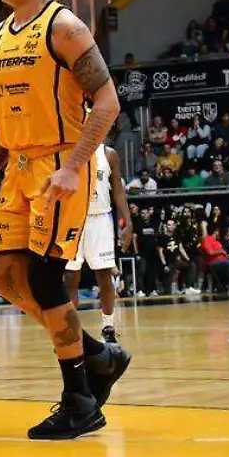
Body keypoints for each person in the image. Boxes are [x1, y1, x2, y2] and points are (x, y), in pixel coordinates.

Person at [0, 0, 129, 440]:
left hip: (61, 163)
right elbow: (4, 113)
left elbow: (107, 101)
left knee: (45, 279)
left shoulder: (65, 27)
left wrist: (74, 165)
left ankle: (79, 399)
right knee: (8, 278)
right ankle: (98, 355)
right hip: (16, 166)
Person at [63, 143, 135, 340]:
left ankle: (108, 328)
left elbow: (118, 190)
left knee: (104, 275)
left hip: (100, 218)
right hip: (72, 218)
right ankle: (71, 332)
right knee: (70, 277)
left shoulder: (108, 154)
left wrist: (128, 221)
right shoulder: (66, 151)